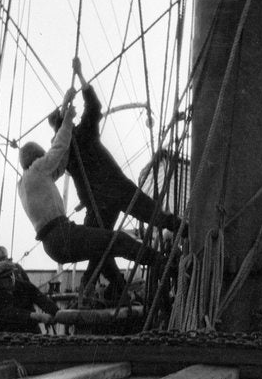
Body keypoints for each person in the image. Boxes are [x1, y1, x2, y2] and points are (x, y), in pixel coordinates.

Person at [53, 57, 183, 291]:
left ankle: (99, 286)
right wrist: (79, 79)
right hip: (110, 193)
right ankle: (119, 285)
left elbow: (91, 108)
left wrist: (70, 97)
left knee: (101, 244)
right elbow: (93, 106)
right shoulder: (74, 140)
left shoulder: (68, 145)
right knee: (150, 217)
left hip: (101, 199)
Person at [19, 92, 161, 300]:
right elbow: (57, 150)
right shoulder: (38, 169)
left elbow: (59, 163)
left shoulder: (25, 183)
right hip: (62, 235)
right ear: (37, 158)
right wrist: (67, 118)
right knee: (117, 241)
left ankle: (109, 287)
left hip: (53, 244)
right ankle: (165, 264)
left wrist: (65, 126)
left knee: (102, 249)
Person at [0, 261, 59, 332]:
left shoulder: (25, 286)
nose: (11, 278)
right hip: (8, 332)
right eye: (6, 277)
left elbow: (43, 300)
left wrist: (58, 314)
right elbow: (10, 313)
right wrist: (37, 316)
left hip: (31, 330)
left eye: (11, 274)